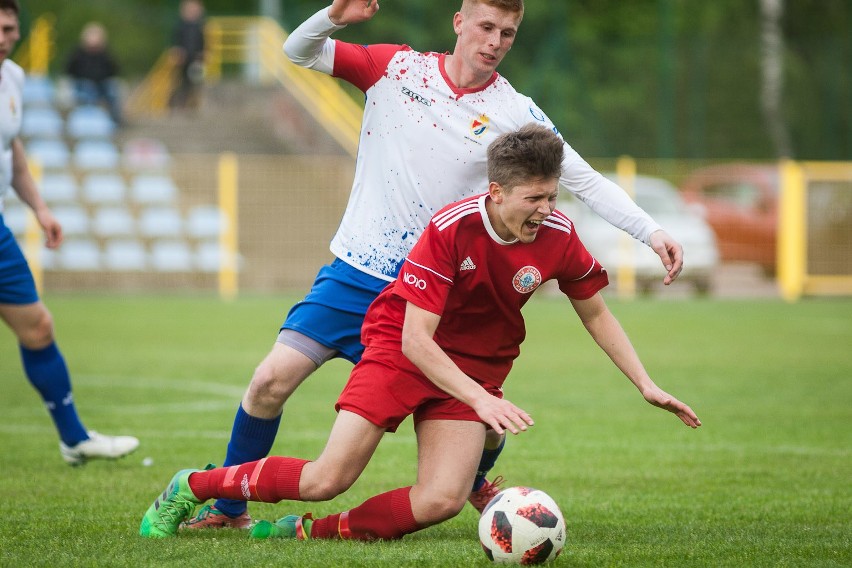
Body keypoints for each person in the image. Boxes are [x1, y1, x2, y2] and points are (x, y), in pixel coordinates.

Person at [181, 0, 685, 529]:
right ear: (459, 22)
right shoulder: (396, 68)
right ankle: (227, 508)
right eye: (487, 26)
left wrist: (649, 231)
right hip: (356, 274)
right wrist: (333, 16)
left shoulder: (516, 111)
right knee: (269, 383)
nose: (495, 41)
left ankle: (466, 480)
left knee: (487, 423)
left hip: (437, 294)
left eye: (508, 33)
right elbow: (297, 52)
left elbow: (583, 179)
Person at [141, 124, 700, 541]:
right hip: (402, 351)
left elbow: (596, 312)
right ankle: (193, 486)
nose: (546, 209)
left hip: (477, 366)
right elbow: (415, 340)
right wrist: (480, 400)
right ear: (498, 191)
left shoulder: (557, 233)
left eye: (552, 196)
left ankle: (311, 532)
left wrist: (645, 384)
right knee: (326, 476)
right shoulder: (450, 229)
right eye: (534, 198)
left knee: (440, 502)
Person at [0, 0, 138, 465]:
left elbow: (11, 146)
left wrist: (39, 207)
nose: (5, 36)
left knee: (37, 327)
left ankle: (74, 438)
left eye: (10, 27)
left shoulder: (14, 78)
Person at [64, 22, 124, 125]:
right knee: (87, 88)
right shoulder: (77, 54)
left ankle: (115, 121)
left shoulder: (106, 54)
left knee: (112, 90)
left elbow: (114, 70)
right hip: (82, 85)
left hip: (101, 85)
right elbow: (69, 70)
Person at [169, 0, 206, 111]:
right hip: (183, 59)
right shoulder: (181, 26)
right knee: (180, 81)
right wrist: (177, 52)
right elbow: (176, 41)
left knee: (194, 82)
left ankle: (190, 104)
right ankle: (177, 103)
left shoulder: (198, 26)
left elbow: (201, 42)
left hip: (194, 59)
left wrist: (201, 54)